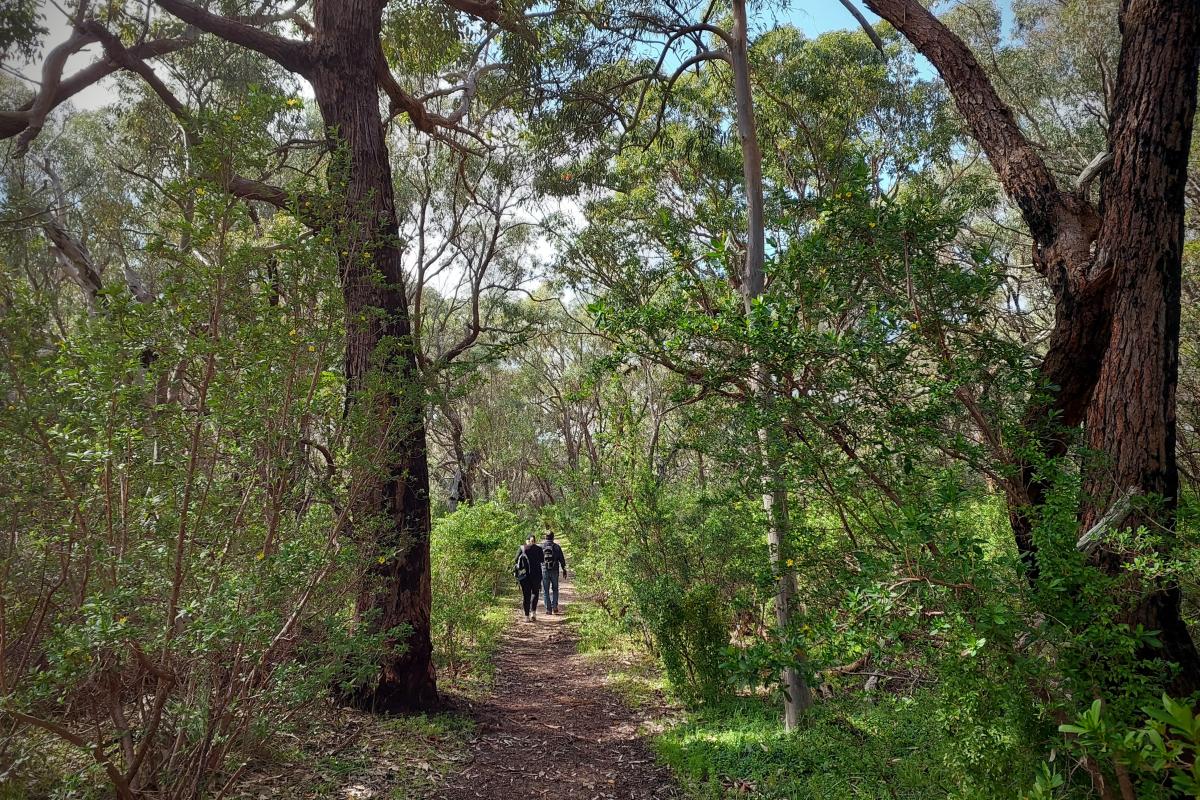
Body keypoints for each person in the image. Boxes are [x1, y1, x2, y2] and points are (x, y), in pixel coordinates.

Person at [513, 534, 544, 622]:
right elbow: (542, 560)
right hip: (536, 575)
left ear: (527, 540)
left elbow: (515, 560)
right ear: (534, 541)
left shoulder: (522, 548)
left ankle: (526, 616)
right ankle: (533, 613)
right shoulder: (538, 549)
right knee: (535, 593)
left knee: (526, 595)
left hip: (524, 576)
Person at [539, 530, 568, 615]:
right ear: (553, 537)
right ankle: (554, 606)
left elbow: (538, 560)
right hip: (555, 570)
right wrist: (564, 570)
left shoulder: (542, 547)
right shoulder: (557, 547)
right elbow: (562, 560)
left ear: (545, 537)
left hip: (544, 570)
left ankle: (548, 609)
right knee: (555, 589)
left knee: (546, 590)